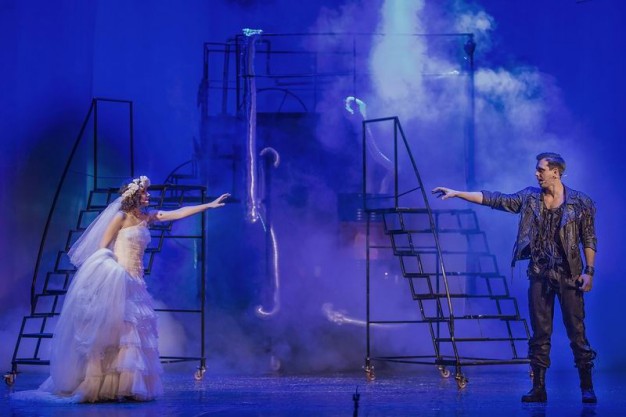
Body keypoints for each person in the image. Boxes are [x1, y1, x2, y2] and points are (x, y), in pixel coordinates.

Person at [13, 176, 229, 403]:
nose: (148, 195)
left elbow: (178, 212)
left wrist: (208, 205)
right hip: (119, 280)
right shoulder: (121, 217)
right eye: (144, 192)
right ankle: (102, 385)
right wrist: (110, 273)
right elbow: (102, 248)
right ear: (134, 195)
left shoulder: (146, 217)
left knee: (131, 336)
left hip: (136, 283)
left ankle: (126, 386)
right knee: (115, 332)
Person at [432, 152, 597, 404]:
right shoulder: (530, 197)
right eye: (537, 169)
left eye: (541, 169)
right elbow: (497, 199)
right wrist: (457, 193)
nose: (536, 174)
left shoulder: (580, 202)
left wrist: (589, 271)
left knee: (577, 332)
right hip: (540, 273)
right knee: (540, 334)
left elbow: (589, 239)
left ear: (555, 172)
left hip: (570, 275)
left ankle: (587, 387)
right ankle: (538, 388)